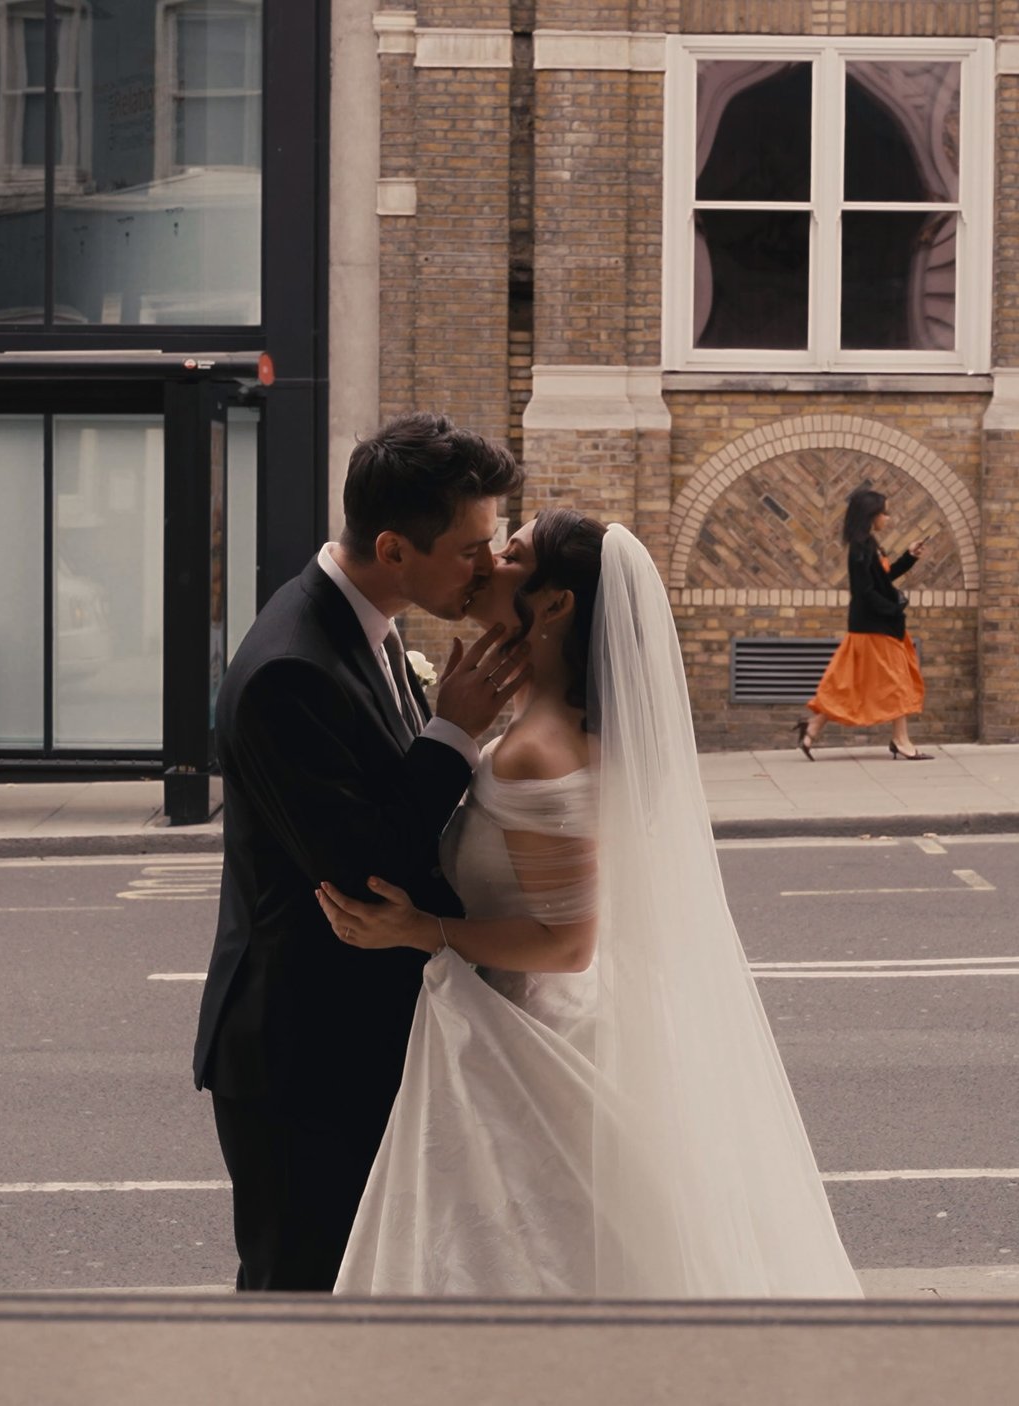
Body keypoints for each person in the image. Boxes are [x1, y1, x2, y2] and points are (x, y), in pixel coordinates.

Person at [318, 510, 864, 1297]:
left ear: (558, 602)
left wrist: (421, 929)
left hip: (529, 1035)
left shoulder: (541, 751)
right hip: (531, 1019)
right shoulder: (546, 725)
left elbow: (567, 942)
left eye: (511, 554)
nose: (487, 564)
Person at [191, 411, 530, 1292]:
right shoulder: (288, 671)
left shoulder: (368, 625)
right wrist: (453, 732)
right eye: (469, 550)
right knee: (300, 1292)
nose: (487, 567)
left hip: (357, 1036)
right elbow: (365, 869)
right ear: (393, 548)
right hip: (302, 1056)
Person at [797, 487, 933, 762]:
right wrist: (893, 609)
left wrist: (909, 557)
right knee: (897, 681)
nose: (888, 518)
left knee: (849, 681)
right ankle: (901, 740)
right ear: (871, 515)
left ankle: (811, 729)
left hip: (872, 626)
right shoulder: (860, 548)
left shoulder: (867, 544)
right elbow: (864, 591)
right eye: (884, 512)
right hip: (874, 627)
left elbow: (882, 579)